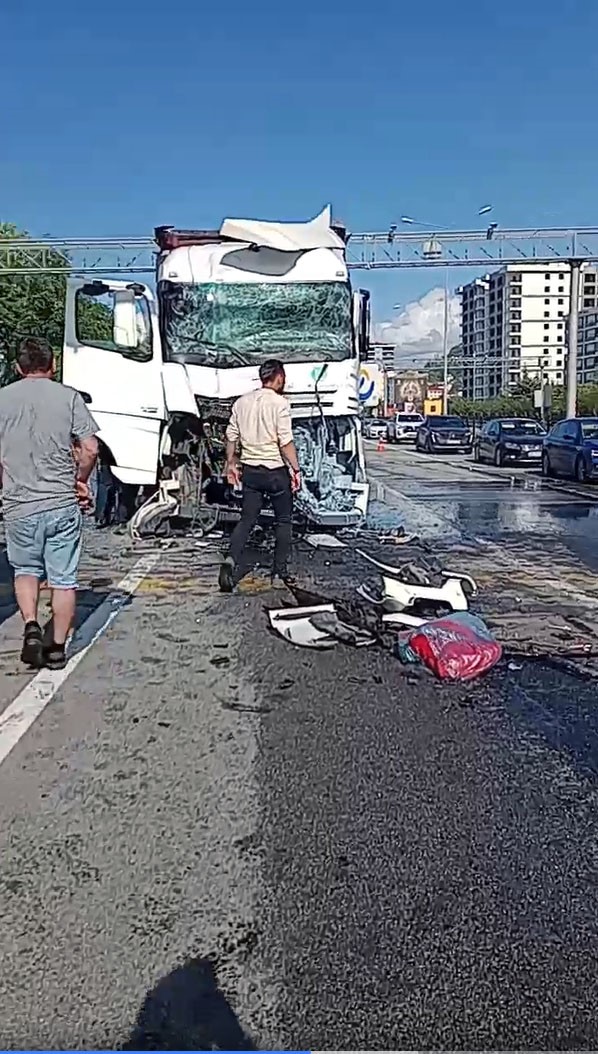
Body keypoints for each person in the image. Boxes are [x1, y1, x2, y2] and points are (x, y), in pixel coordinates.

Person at [0, 337, 99, 669]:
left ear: (18, 367)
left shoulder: (2, 400)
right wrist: (80, 481)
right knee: (63, 578)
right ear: (53, 364)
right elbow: (90, 448)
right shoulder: (68, 397)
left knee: (25, 570)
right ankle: (56, 648)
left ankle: (30, 623)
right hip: (60, 501)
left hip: (18, 504)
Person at [219, 359, 301, 592]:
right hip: (275, 472)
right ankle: (279, 572)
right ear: (279, 377)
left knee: (247, 519)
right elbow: (285, 442)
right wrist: (295, 470)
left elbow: (231, 436)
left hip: (251, 472)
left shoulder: (242, 402)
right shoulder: (280, 404)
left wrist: (231, 463)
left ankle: (230, 560)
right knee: (283, 520)